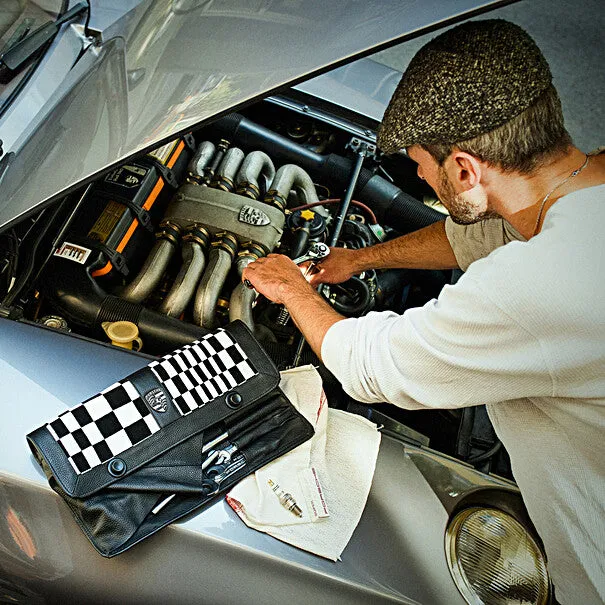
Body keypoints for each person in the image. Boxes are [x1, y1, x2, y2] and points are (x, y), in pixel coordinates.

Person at [242, 19, 605, 603]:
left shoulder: (550, 281)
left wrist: (294, 291)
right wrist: (358, 260)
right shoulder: (580, 187)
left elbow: (372, 369)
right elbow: (478, 236)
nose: (416, 176)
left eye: (419, 165)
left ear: (463, 169)